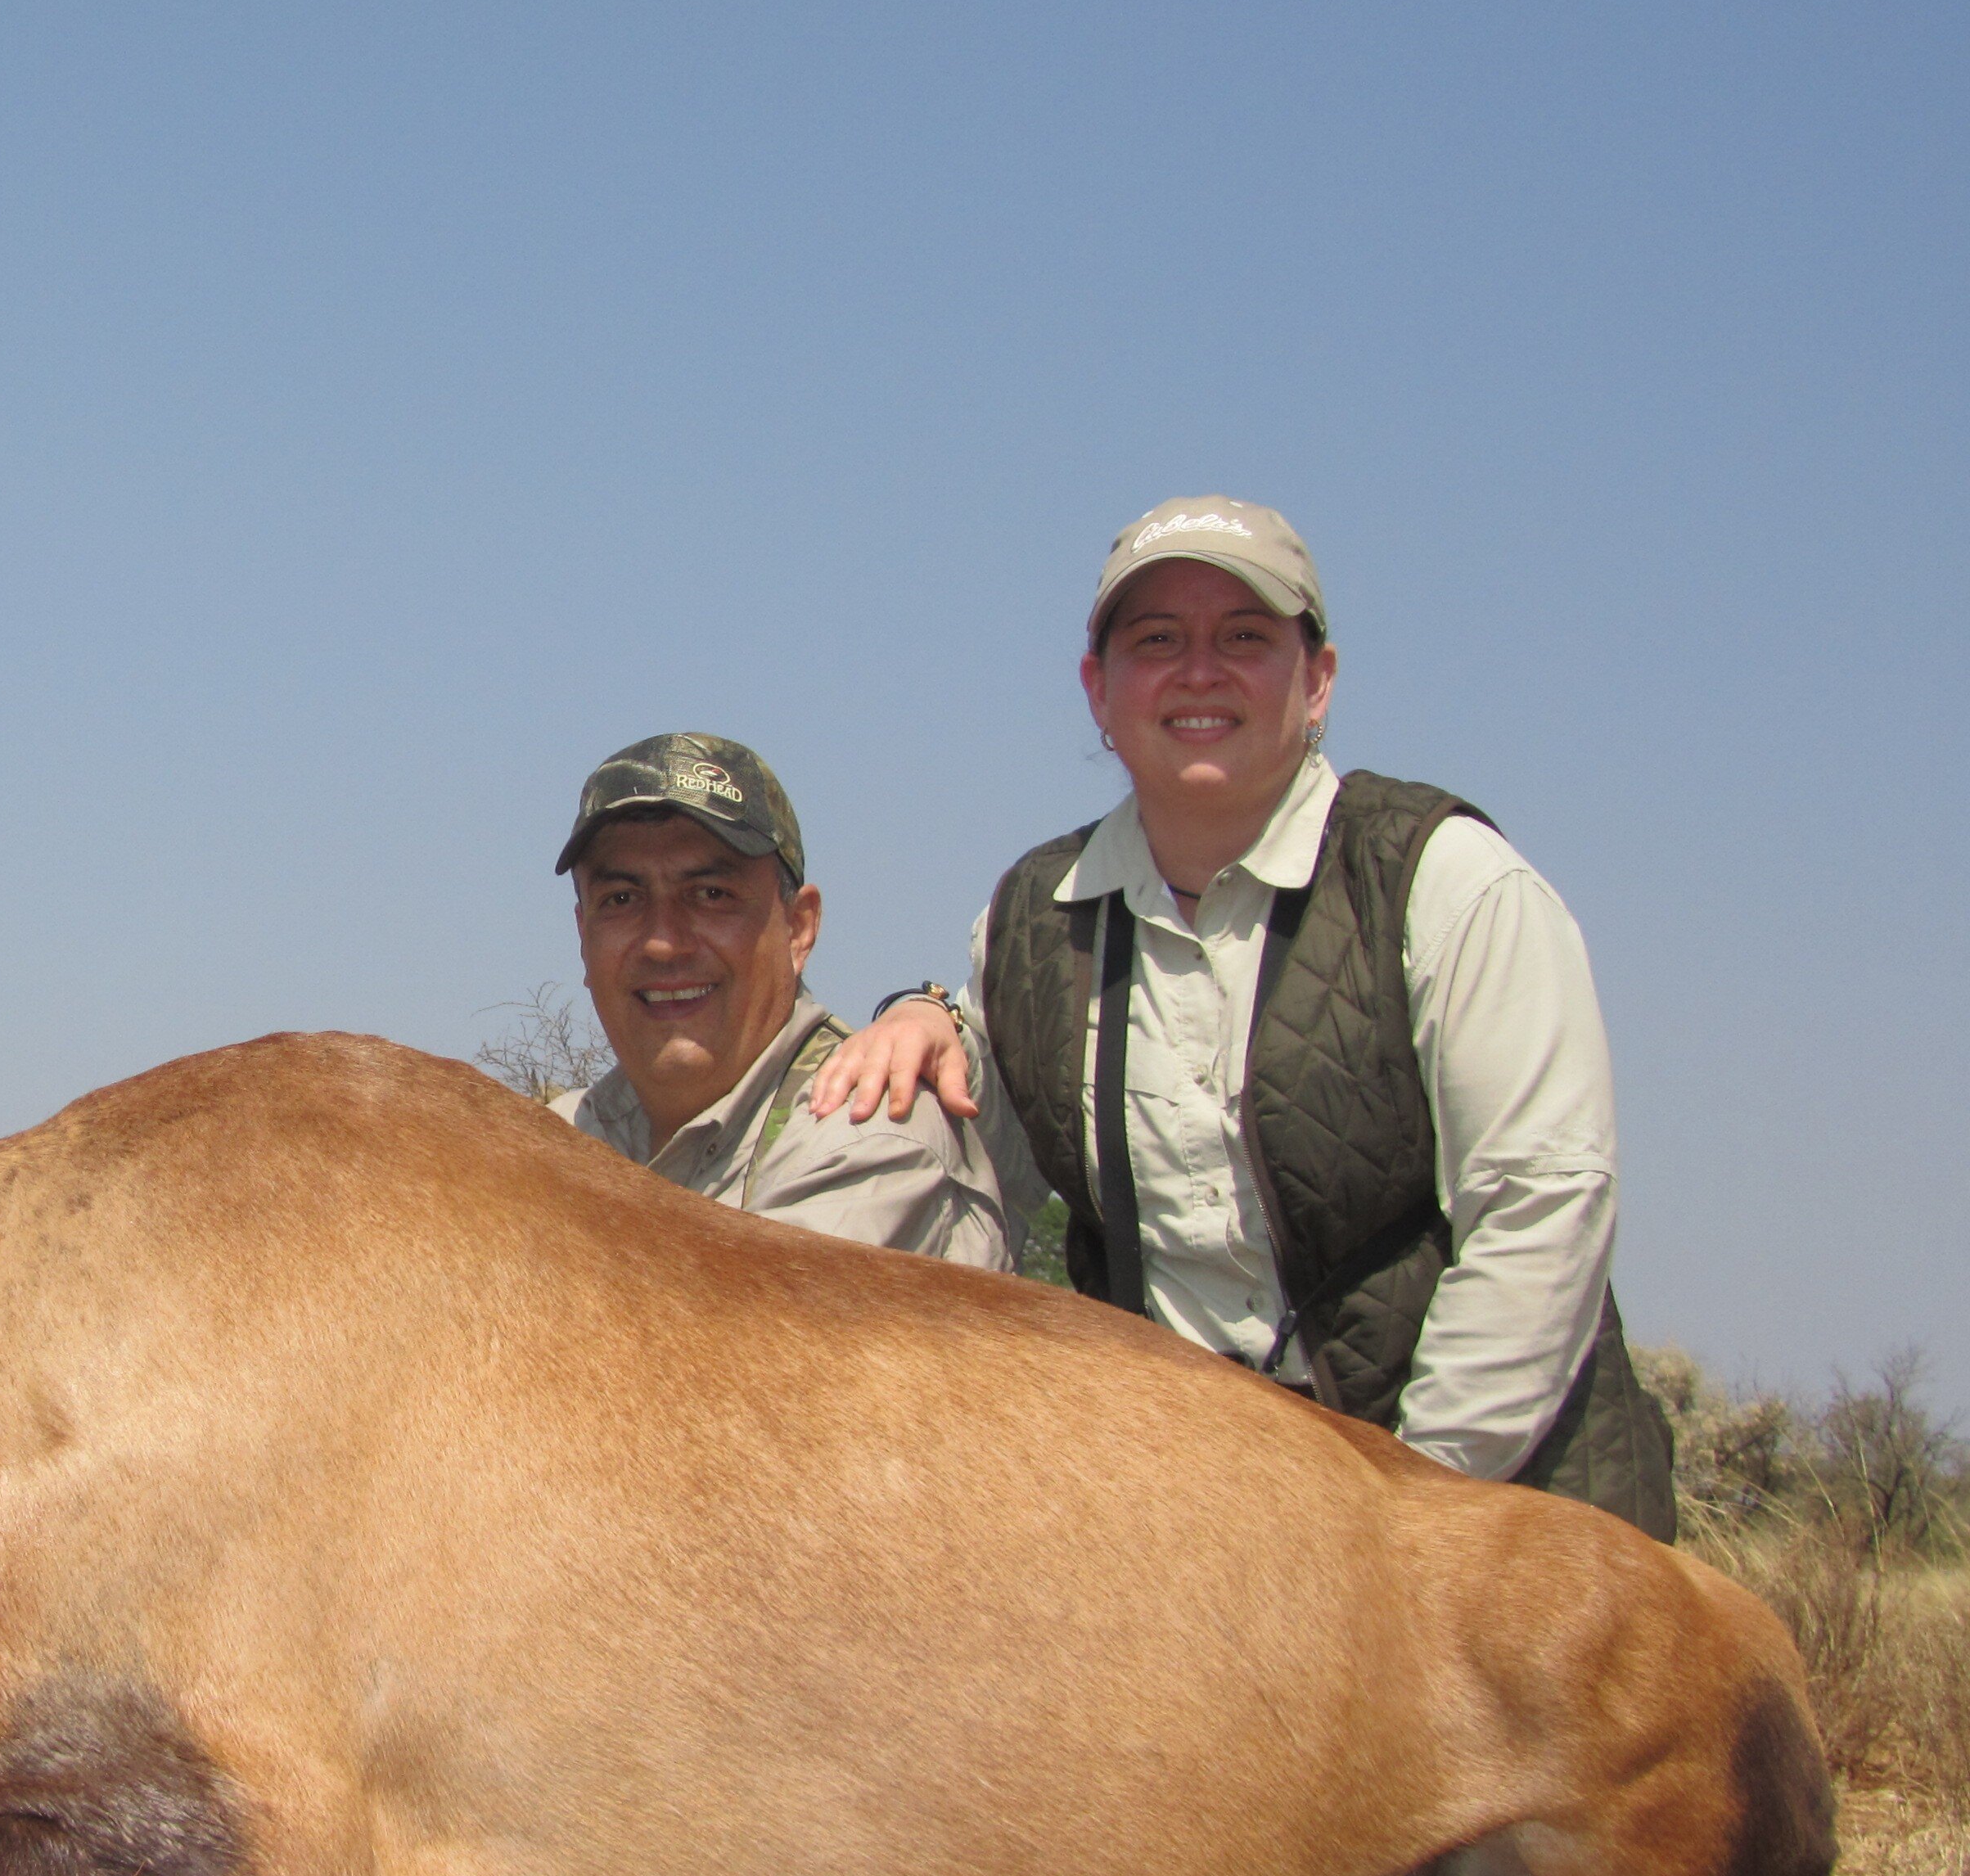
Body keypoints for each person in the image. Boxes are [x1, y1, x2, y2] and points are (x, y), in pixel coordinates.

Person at [809, 498, 1675, 1534]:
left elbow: (1543, 1206)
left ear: (1318, 680)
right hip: (1189, 1526)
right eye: (1156, 641)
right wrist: (924, 1012)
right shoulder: (1033, 918)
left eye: (1246, 638)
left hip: (1482, 1523)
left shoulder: (1445, 879)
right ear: (1097, 688)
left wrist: (1401, 1508)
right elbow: (974, 1184)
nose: (1199, 670)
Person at [548, 732, 1010, 1267]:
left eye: (711, 895)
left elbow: (709, 1346)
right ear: (584, 935)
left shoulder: (871, 1135)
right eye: (622, 899)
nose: (663, 942)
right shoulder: (558, 1138)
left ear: (798, 928)